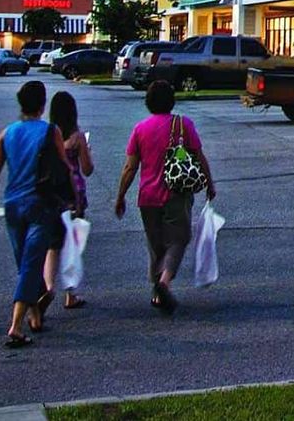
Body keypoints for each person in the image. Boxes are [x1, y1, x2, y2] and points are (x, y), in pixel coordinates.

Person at [0, 78, 71, 347]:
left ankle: (35, 317)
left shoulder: (8, 133)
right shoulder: (51, 131)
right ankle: (16, 325)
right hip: (41, 204)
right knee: (30, 263)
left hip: (13, 205)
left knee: (25, 261)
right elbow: (64, 167)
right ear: (42, 105)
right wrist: (72, 199)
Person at [114, 80, 215, 316]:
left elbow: (130, 167)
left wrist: (120, 196)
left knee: (156, 245)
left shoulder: (140, 129)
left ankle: (156, 292)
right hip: (176, 193)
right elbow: (199, 156)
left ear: (148, 102)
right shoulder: (183, 125)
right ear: (171, 101)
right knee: (178, 239)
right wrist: (209, 184)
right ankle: (164, 282)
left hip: (147, 197)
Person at [43, 90, 93, 310]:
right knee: (72, 244)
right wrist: (88, 151)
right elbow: (87, 169)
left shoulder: (47, 136)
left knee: (53, 245)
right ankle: (70, 294)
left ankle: (48, 287)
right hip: (75, 194)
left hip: (53, 192)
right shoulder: (77, 138)